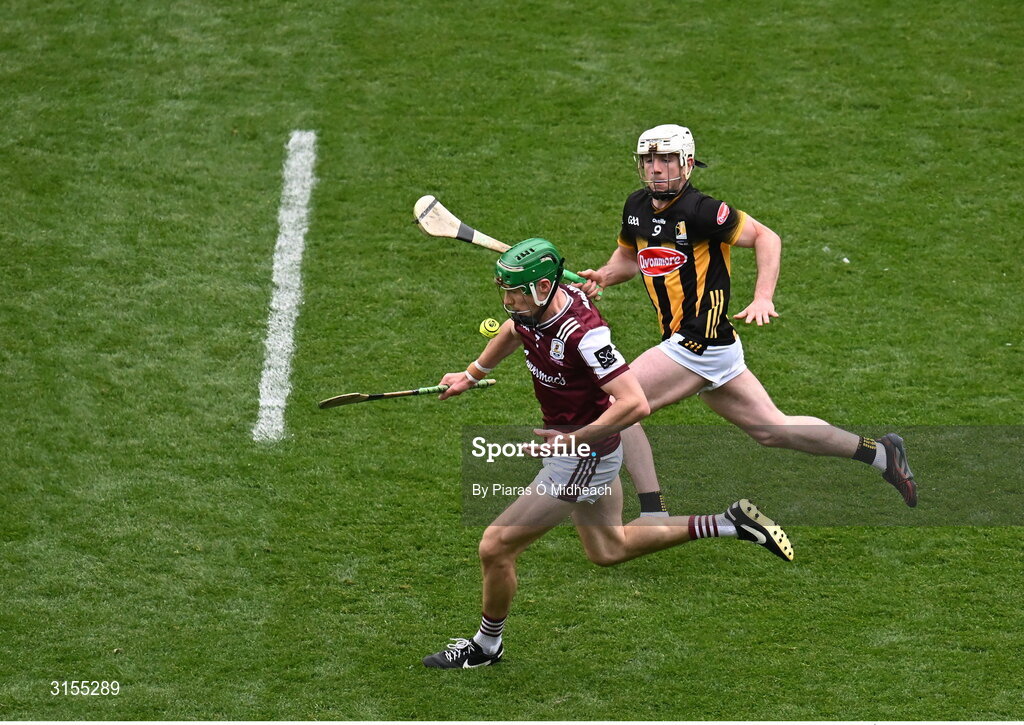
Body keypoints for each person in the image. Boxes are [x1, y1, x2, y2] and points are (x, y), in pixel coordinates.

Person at [422, 238, 793, 669]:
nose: (509, 302)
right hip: (579, 447)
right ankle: (730, 523)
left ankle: (486, 646)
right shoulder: (532, 309)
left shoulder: (585, 334)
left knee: (495, 546)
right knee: (608, 549)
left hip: (584, 457)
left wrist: (575, 440)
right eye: (505, 292)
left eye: (516, 293)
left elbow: (634, 403)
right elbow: (514, 331)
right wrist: (473, 373)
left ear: (543, 287)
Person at [576, 124, 917, 516]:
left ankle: (653, 511)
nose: (656, 168)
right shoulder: (635, 206)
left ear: (687, 163)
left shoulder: (703, 210)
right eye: (649, 159)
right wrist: (603, 275)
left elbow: (766, 237)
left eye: (666, 159)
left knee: (621, 402)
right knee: (772, 430)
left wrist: (763, 297)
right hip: (708, 345)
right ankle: (882, 454)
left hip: (699, 340)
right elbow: (629, 259)